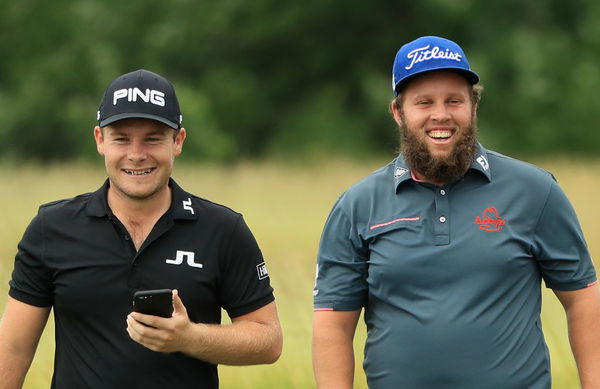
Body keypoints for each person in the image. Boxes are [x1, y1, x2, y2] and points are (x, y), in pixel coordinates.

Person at [312, 36, 600, 388]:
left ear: (473, 107)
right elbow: (332, 325)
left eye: (454, 101)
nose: (441, 115)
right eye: (424, 102)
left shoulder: (536, 191)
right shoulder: (357, 205)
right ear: (398, 112)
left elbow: (583, 298)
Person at [0, 69, 282, 389]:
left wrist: (189, 337)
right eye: (121, 138)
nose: (136, 154)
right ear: (100, 140)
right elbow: (13, 349)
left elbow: (268, 339)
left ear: (177, 141)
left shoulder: (223, 230)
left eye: (153, 138)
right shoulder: (52, 228)